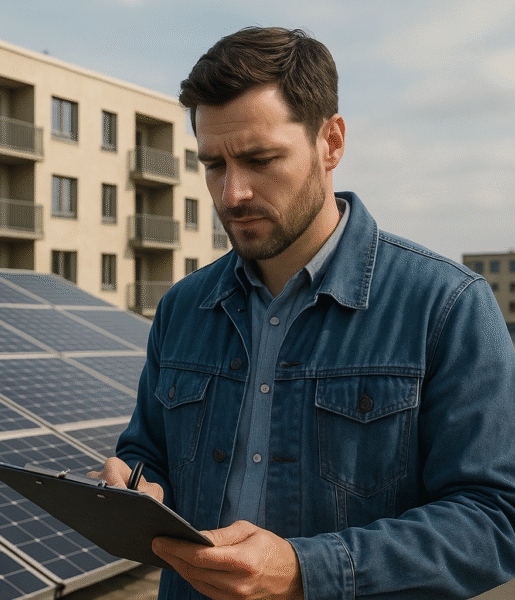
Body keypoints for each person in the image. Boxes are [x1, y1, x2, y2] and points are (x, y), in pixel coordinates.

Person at [90, 26, 515, 600]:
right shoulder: (181, 309)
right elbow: (148, 453)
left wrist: (304, 570)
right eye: (213, 164)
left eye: (260, 159)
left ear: (331, 142)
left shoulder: (447, 306)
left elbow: (495, 522)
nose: (232, 192)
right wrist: (138, 485)